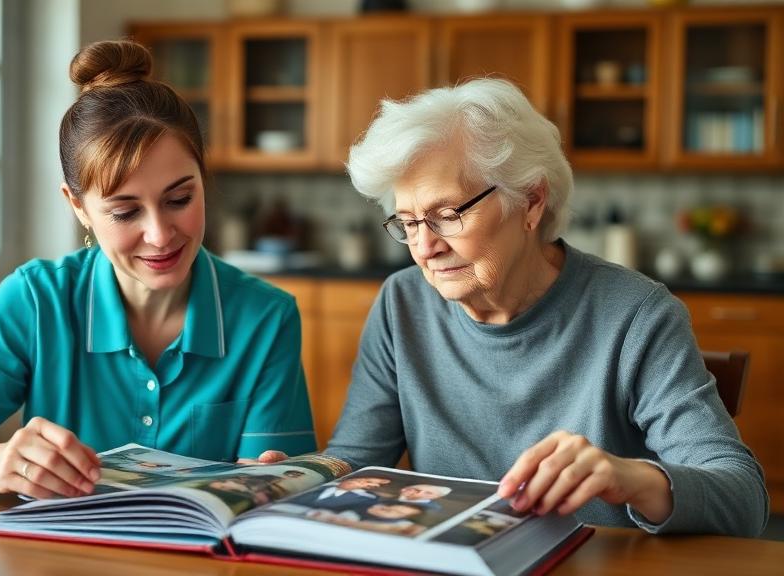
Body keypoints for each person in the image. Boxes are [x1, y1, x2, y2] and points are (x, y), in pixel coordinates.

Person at [321, 78, 767, 536]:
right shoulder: (402, 303)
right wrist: (286, 478)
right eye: (409, 222)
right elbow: (357, 458)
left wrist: (633, 479)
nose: (425, 247)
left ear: (531, 201)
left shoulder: (636, 315)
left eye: (447, 215)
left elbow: (743, 499)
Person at [0, 40, 316, 500]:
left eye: (179, 199)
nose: (160, 234)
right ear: (78, 207)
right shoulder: (35, 299)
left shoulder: (267, 316)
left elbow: (271, 483)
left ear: (203, 179)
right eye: (126, 212)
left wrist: (274, 482)